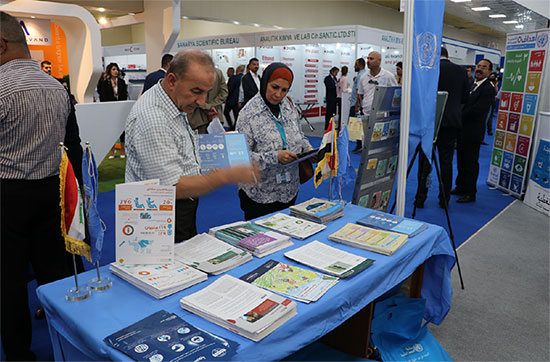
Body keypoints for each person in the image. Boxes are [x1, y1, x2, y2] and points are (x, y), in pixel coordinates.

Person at [125, 50, 259, 242]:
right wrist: (228, 175)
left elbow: (180, 147)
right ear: (171, 81)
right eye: (196, 91)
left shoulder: (171, 100)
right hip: (161, 215)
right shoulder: (153, 118)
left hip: (176, 209)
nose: (202, 102)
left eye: (206, 92)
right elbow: (171, 187)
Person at [0, 11, 73, 359]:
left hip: (7, 197)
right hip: (51, 194)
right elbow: (70, 144)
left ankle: (18, 354)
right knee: (55, 276)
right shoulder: (57, 86)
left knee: (10, 284)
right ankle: (69, 346)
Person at [236, 62, 313, 221]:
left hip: (289, 190)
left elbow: (300, 135)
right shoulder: (248, 113)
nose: (278, 94)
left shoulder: (289, 107)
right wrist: (274, 157)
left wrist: (308, 149)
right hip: (260, 195)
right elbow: (240, 157)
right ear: (265, 83)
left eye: (284, 90)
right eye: (274, 87)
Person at [414, 46, 469, 208]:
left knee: (425, 160)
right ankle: (444, 199)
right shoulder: (460, 71)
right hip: (451, 121)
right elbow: (465, 97)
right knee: (446, 162)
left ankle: (420, 198)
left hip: (430, 120)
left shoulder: (429, 69)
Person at [453, 59, 495, 203]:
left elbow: (478, 110)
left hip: (473, 131)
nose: (479, 69)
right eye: (478, 66)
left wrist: (459, 115)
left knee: (471, 163)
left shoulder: (488, 89)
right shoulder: (471, 84)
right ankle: (460, 186)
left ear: (489, 72)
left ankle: (470, 192)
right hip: (462, 129)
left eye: (484, 67)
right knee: (461, 160)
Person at [98, 62, 128, 159]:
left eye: (116, 69)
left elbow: (124, 95)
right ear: (109, 71)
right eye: (113, 69)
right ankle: (112, 151)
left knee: (122, 130)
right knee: (110, 130)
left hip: (120, 108)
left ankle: (122, 149)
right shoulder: (105, 83)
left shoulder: (121, 82)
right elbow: (103, 96)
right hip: (109, 109)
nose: (116, 71)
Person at [188, 67, 228, 134]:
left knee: (199, 142)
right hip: (215, 116)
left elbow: (190, 95)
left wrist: (207, 106)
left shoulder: (191, 73)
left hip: (198, 118)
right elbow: (224, 93)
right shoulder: (218, 72)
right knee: (217, 142)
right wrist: (211, 105)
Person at [350, 58, 366, 153]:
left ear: (360, 65)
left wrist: (357, 105)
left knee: (357, 126)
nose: (354, 66)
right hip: (358, 104)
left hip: (357, 104)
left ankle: (359, 144)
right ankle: (359, 144)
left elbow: (359, 92)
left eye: (356, 64)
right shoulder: (363, 74)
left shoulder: (360, 76)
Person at [224, 64, 244, 130]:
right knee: (236, 115)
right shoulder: (244, 78)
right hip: (239, 101)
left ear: (237, 70)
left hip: (231, 100)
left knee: (226, 112)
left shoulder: (233, 78)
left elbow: (230, 89)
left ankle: (232, 126)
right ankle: (235, 127)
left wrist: (226, 98)